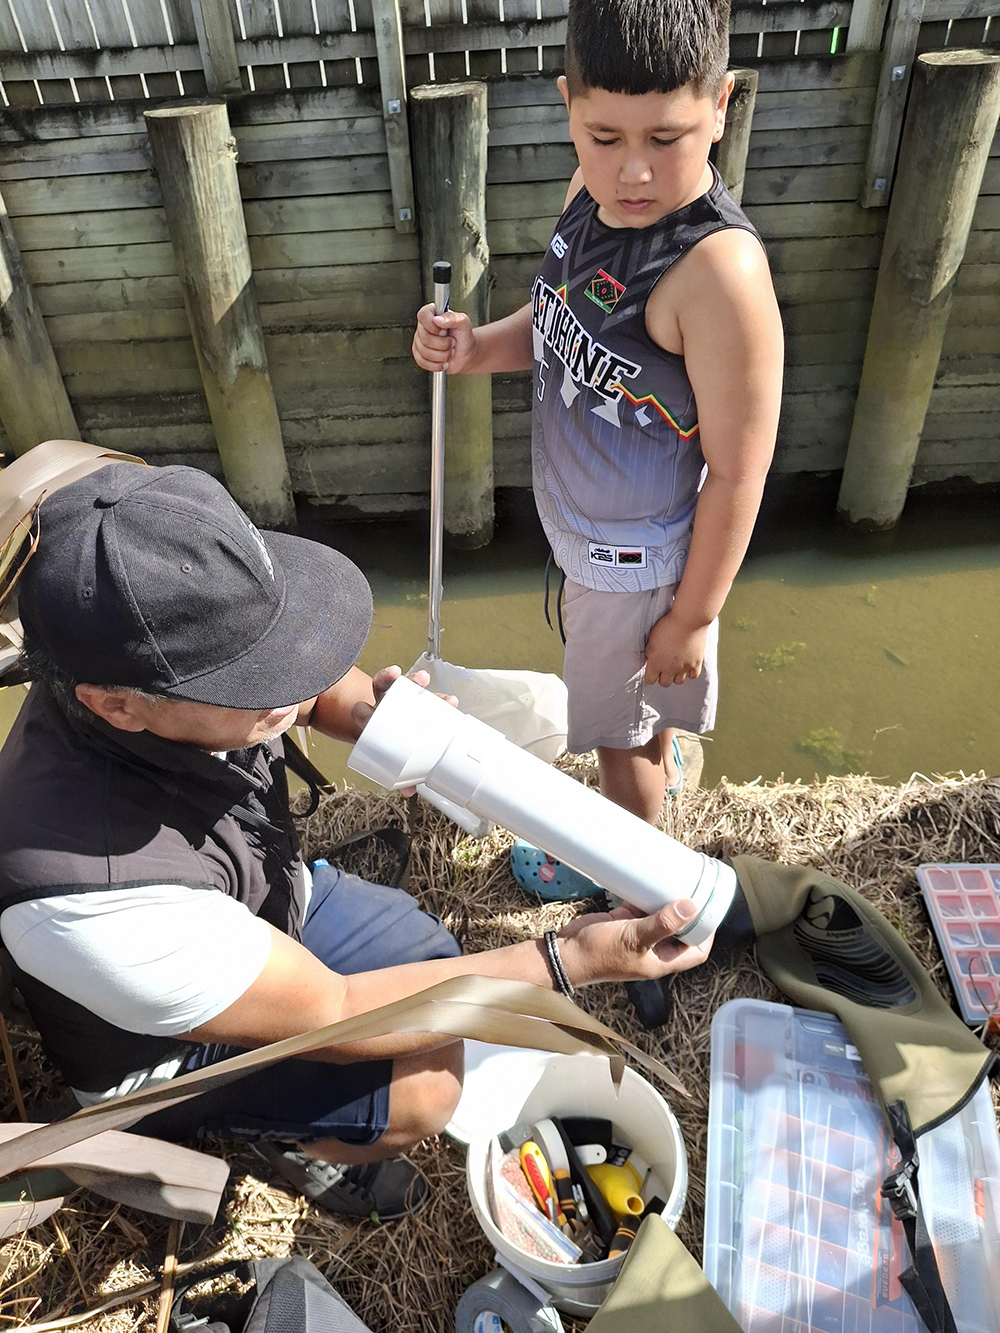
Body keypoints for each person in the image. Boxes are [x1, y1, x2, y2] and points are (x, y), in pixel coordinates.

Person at [0, 462, 712, 1221]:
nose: (292, 680)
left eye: (279, 643)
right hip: (170, 1058)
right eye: (253, 676)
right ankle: (294, 1149)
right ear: (118, 705)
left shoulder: (133, 638)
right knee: (428, 1090)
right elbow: (336, 1011)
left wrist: (376, 715)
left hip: (262, 901)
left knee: (430, 950)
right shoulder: (89, 891)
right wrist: (569, 960)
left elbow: (305, 687)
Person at [412, 0, 783, 898]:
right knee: (636, 723)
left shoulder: (718, 274)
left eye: (668, 136)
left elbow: (741, 467)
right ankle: (655, 758)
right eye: (603, 134)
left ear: (722, 102)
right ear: (566, 101)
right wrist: (472, 347)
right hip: (587, 547)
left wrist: (690, 619)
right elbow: (551, 324)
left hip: (638, 565)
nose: (635, 172)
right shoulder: (588, 198)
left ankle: (637, 884)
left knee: (613, 747)